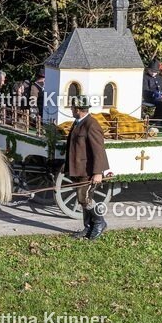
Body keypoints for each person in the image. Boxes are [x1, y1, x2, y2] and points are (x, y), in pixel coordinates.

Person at [64, 96, 110, 240]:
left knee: (84, 198)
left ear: (78, 109)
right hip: (78, 169)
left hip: (88, 170)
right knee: (83, 199)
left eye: (72, 108)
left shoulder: (91, 124)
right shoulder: (78, 123)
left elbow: (99, 151)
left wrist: (98, 172)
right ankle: (88, 227)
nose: (71, 110)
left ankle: (99, 223)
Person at [142, 59, 162, 127]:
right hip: (150, 97)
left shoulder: (159, 78)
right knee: (160, 103)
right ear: (148, 70)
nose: (153, 73)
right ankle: (157, 121)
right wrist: (154, 94)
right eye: (151, 71)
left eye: (155, 71)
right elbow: (145, 90)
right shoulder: (145, 78)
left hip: (161, 96)